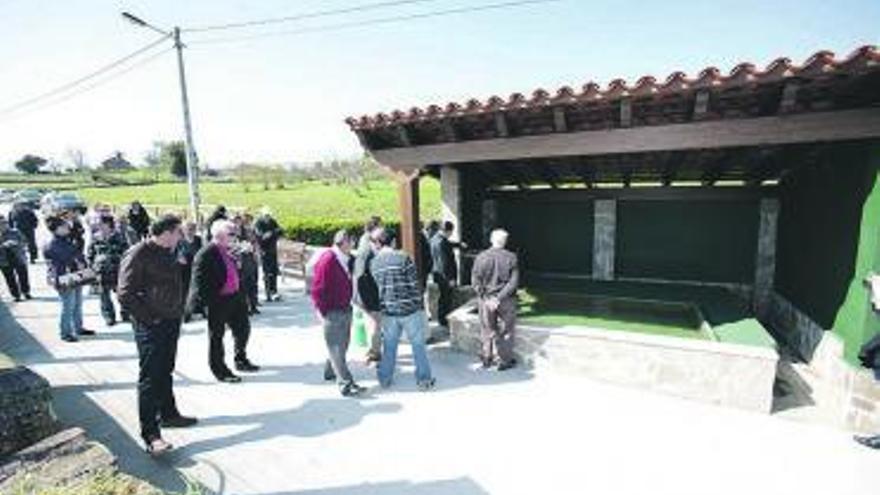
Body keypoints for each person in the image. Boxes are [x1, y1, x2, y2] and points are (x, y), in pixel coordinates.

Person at [118, 214, 197, 456]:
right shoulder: (138, 252)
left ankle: (169, 414)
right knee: (151, 377)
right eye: (178, 233)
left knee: (165, 369)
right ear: (167, 232)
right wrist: (150, 319)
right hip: (150, 325)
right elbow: (125, 293)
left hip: (170, 320)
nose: (181, 237)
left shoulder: (168, 251)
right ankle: (151, 435)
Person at [187, 219, 260, 383]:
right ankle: (220, 370)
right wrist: (204, 304)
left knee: (243, 329)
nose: (235, 237)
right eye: (231, 234)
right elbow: (198, 282)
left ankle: (240, 359)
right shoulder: (206, 253)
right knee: (217, 337)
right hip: (218, 300)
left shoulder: (231, 249)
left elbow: (245, 272)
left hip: (236, 296)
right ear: (219, 235)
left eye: (235, 233)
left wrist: (245, 258)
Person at [370, 228, 435, 391]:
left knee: (390, 346)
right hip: (410, 310)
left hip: (388, 311)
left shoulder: (374, 263)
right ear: (393, 242)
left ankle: (385, 379)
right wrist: (419, 305)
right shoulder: (404, 258)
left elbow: (377, 288)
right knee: (418, 345)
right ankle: (424, 380)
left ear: (379, 243)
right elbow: (415, 285)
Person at [310, 230, 367, 397]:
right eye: (351, 242)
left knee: (341, 345)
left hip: (344, 307)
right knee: (336, 347)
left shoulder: (345, 258)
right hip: (333, 312)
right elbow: (317, 290)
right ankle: (346, 383)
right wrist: (322, 312)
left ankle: (330, 371)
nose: (353, 245)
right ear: (342, 242)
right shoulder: (328, 259)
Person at [471, 229, 520, 370]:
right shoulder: (512, 257)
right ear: (504, 241)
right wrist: (498, 298)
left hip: (486, 301)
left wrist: (487, 298)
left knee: (486, 329)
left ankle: (487, 358)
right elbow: (513, 282)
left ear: (491, 240)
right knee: (506, 330)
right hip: (506, 300)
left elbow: (475, 281)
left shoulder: (481, 257)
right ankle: (503, 361)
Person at [43, 216, 94, 342]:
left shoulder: (66, 241)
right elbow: (69, 257)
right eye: (64, 226)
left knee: (77, 304)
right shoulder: (53, 244)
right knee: (68, 306)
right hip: (63, 278)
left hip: (74, 275)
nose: (68, 228)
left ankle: (78, 328)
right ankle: (65, 333)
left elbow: (77, 255)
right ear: (56, 229)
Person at [87, 215, 129, 326]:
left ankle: (126, 314)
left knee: (122, 294)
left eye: (101, 223)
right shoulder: (95, 237)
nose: (98, 225)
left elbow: (127, 253)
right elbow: (90, 253)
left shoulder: (119, 237)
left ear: (108, 224)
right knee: (104, 295)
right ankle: (109, 317)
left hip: (117, 270)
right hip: (101, 271)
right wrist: (91, 267)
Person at [352, 224, 382, 364]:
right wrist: (369, 303)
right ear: (374, 240)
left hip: (368, 297)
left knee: (374, 326)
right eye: (380, 241)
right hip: (368, 298)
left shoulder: (369, 251)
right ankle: (373, 353)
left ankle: (374, 351)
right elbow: (360, 278)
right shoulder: (366, 253)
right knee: (374, 326)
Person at [430, 221, 465, 327]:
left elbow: (448, 244)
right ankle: (444, 320)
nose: (451, 234)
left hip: (438, 275)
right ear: (448, 231)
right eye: (451, 232)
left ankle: (442, 318)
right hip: (445, 277)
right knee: (446, 299)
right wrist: (451, 279)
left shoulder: (435, 238)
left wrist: (459, 244)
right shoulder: (441, 243)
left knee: (443, 297)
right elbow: (444, 263)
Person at [253, 207, 283, 302]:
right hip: (264, 251)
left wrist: (271, 233)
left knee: (274, 272)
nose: (268, 218)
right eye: (266, 216)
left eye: (269, 215)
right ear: (262, 215)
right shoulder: (258, 223)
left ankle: (274, 291)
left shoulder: (272, 221)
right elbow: (261, 237)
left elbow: (280, 230)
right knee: (266, 273)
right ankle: (268, 293)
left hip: (273, 250)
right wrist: (270, 234)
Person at [234, 214, 261, 315]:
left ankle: (253, 305)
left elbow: (254, 243)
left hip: (249, 261)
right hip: (241, 262)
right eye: (236, 222)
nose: (237, 224)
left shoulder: (247, 232)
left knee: (252, 284)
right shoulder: (232, 234)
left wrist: (254, 251)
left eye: (239, 221)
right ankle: (246, 307)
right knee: (243, 286)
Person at [176, 221, 203, 319]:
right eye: (188, 229)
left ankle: (196, 309)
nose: (190, 231)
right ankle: (186, 312)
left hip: (196, 267)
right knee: (185, 289)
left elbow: (202, 251)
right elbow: (176, 253)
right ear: (184, 230)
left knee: (196, 289)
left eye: (192, 229)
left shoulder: (198, 240)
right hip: (184, 269)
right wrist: (179, 258)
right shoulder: (180, 241)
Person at [0, 217, 31, 301]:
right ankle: (15, 295)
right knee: (10, 278)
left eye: (4, 223)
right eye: (1, 224)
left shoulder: (15, 232)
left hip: (18, 257)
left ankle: (26, 292)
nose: (3, 226)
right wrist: (3, 246)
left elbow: (24, 241)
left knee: (23, 276)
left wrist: (16, 243)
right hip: (3, 260)